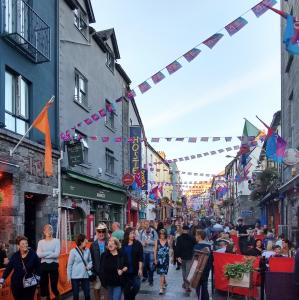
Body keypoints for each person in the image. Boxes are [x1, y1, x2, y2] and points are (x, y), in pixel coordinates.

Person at [0, 236, 40, 300]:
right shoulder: (15, 256)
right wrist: (2, 280)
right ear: (18, 246)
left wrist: (37, 279)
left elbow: (38, 267)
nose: (25, 245)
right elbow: (8, 269)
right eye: (23, 244)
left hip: (29, 284)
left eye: (26, 243)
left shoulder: (33, 254)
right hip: (16, 285)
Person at [37, 224, 61, 300]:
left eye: (50, 229)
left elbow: (56, 255)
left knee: (54, 286)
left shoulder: (57, 241)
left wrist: (44, 255)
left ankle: (57, 297)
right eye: (47, 230)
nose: (49, 231)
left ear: (52, 231)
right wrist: (50, 253)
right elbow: (38, 254)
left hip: (54, 265)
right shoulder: (40, 242)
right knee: (44, 286)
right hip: (43, 266)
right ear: (44, 232)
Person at [67, 234, 92, 300]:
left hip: (85, 275)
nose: (86, 241)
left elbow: (91, 261)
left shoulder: (88, 250)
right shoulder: (73, 251)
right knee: (75, 295)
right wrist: (69, 276)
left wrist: (89, 266)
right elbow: (69, 265)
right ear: (81, 241)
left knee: (87, 294)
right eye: (85, 240)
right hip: (75, 276)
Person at [122, 227, 143, 300]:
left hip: (135, 270)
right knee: (126, 291)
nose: (133, 235)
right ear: (127, 234)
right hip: (125, 271)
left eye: (133, 233)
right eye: (131, 233)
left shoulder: (138, 244)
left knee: (136, 287)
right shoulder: (123, 244)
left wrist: (140, 269)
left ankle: (131, 297)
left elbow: (141, 258)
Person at [90, 223, 109, 300]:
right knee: (96, 289)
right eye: (99, 231)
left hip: (106, 271)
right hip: (97, 271)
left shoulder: (109, 243)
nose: (101, 233)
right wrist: (92, 270)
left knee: (106, 289)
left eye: (103, 231)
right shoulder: (93, 245)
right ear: (97, 233)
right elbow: (91, 258)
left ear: (105, 232)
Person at [176, 224, 196, 294]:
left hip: (182, 257)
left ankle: (185, 284)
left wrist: (177, 256)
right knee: (188, 272)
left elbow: (177, 248)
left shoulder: (179, 238)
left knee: (184, 271)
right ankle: (188, 285)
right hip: (190, 257)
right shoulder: (192, 238)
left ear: (183, 230)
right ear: (188, 230)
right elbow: (195, 246)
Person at [194, 230, 212, 300]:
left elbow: (195, 260)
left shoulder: (196, 246)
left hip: (198, 269)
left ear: (199, 236)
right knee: (204, 286)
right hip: (206, 269)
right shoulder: (209, 246)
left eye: (196, 235)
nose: (195, 237)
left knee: (198, 286)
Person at [140, 220, 158, 286]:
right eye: (144, 224)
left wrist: (149, 242)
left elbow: (156, 243)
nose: (146, 225)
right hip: (143, 251)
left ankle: (151, 280)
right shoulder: (141, 232)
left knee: (151, 266)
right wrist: (142, 243)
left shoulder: (153, 232)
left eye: (147, 224)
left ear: (149, 224)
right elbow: (139, 241)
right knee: (144, 266)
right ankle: (145, 276)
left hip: (151, 252)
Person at [154, 229, 169, 295]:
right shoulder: (157, 241)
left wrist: (172, 258)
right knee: (161, 273)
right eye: (160, 234)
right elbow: (155, 251)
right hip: (159, 259)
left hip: (166, 259)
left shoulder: (168, 241)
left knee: (162, 273)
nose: (162, 235)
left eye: (163, 234)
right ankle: (163, 285)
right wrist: (155, 259)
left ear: (165, 234)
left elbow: (171, 250)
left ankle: (162, 285)